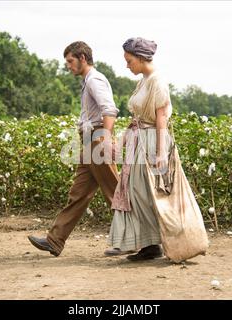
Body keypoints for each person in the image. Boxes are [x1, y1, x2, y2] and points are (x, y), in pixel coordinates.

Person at [28, 41, 132, 257]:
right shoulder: (87, 82)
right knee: (79, 193)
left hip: (97, 139)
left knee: (115, 192)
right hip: (88, 141)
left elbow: (110, 110)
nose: (67, 66)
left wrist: (104, 138)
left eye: (70, 61)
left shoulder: (95, 80)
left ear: (82, 58)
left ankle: (137, 241)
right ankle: (54, 241)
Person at [107, 37, 174, 261]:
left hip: (152, 142)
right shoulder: (143, 81)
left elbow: (161, 117)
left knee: (145, 194)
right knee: (133, 192)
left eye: (129, 60)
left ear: (141, 58)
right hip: (139, 141)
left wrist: (161, 152)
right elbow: (137, 118)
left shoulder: (157, 81)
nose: (127, 65)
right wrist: (124, 139)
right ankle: (146, 244)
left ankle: (156, 242)